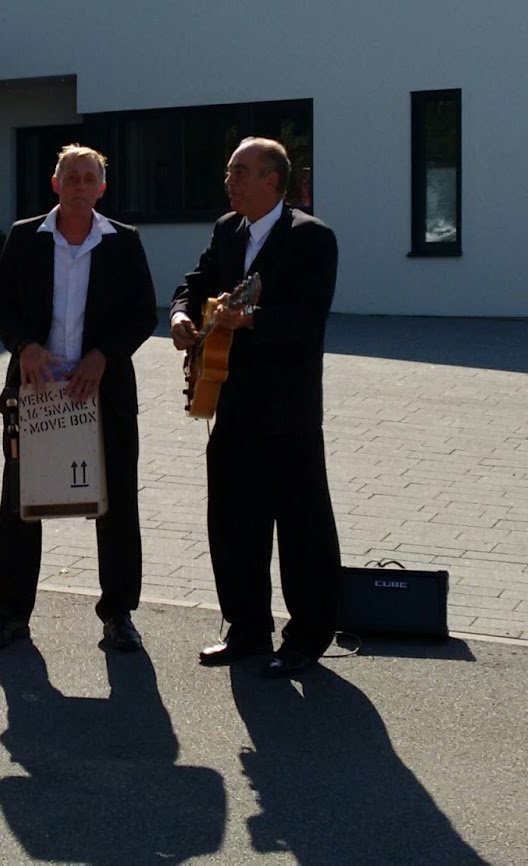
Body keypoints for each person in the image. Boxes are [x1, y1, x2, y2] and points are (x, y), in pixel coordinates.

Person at [169, 136, 342, 676]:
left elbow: (308, 319)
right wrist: (180, 315)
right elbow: (195, 282)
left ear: (272, 180)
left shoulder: (311, 237)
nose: (230, 181)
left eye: (240, 172)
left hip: (288, 408)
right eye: (229, 172)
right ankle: (246, 629)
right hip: (231, 400)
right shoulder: (228, 229)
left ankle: (307, 637)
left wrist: (252, 320)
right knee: (232, 521)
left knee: (301, 524)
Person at [0, 144, 159, 654]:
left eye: (89, 178)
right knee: (21, 502)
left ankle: (118, 614)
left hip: (103, 391)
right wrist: (24, 347)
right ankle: (10, 613)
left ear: (102, 188)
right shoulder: (24, 237)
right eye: (71, 177)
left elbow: (143, 313)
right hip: (36, 392)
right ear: (55, 184)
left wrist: (104, 356)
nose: (80, 186)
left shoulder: (124, 241)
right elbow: (0, 307)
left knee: (116, 504)